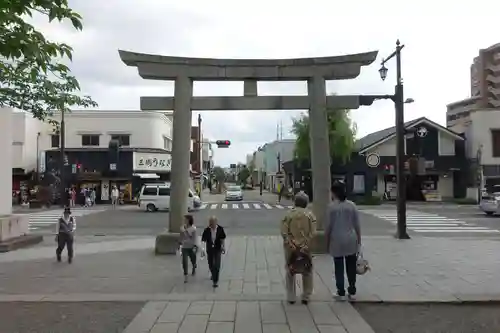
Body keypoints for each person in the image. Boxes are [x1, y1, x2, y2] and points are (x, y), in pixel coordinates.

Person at [325, 182, 361, 301]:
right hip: (351, 238)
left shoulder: (331, 207)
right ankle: (352, 290)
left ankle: (340, 292)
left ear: (334, 193)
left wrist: (327, 241)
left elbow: (329, 227)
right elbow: (357, 225)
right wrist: (359, 240)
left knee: (338, 266)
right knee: (351, 266)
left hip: (336, 239)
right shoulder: (352, 206)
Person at [281, 191, 316, 305]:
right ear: (306, 203)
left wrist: (290, 243)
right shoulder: (310, 215)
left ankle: (291, 296)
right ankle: (306, 295)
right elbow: (313, 232)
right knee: (307, 270)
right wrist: (306, 244)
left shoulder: (288, 214)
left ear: (295, 202)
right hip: (306, 247)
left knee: (290, 269)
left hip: (291, 247)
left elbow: (284, 231)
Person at [201, 216, 226, 288]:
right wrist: (202, 249)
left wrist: (223, 247)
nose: (211, 225)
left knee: (217, 264)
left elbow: (222, 238)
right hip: (210, 249)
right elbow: (203, 240)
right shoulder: (207, 230)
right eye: (210, 223)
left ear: (216, 222)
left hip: (218, 248)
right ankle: (213, 273)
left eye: (212, 223)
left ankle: (215, 281)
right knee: (211, 264)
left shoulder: (220, 229)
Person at [179, 214, 201, 283]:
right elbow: (181, 236)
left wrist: (195, 246)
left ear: (189, 220)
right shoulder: (182, 228)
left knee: (193, 260)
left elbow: (194, 238)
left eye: (185, 219)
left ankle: (194, 267)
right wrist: (180, 242)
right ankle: (186, 275)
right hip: (184, 247)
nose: (184, 220)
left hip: (191, 247)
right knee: (184, 261)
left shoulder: (193, 229)